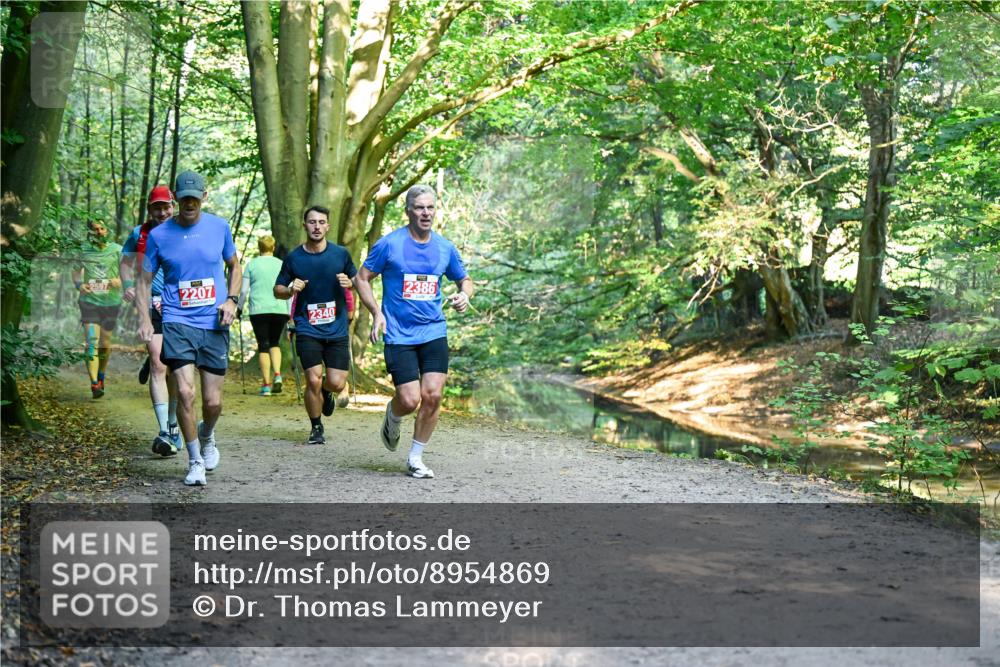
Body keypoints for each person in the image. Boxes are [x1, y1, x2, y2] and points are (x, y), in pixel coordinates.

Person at [354, 185, 474, 479]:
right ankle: (393, 416)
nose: (425, 213)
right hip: (398, 333)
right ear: (408, 210)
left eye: (430, 207)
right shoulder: (389, 245)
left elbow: (465, 279)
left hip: (433, 330)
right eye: (419, 207)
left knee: (432, 395)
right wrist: (376, 312)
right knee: (409, 399)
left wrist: (465, 295)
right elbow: (362, 278)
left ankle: (415, 457)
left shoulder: (445, 248)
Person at [136, 170, 242, 487]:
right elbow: (142, 281)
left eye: (195, 198)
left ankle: (207, 435)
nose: (190, 204)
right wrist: (143, 318)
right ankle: (195, 460)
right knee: (184, 392)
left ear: (204, 197)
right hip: (177, 320)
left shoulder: (219, 228)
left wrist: (232, 300)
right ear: (176, 200)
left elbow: (235, 266)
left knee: (212, 402)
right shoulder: (159, 236)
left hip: (213, 322)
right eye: (184, 199)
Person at [274, 206, 356, 445]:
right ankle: (316, 426)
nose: (317, 226)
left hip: (337, 328)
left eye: (321, 222)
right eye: (312, 222)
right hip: (307, 327)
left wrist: (349, 282)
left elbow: (358, 279)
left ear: (328, 226)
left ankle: (328, 393)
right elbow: (277, 289)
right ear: (305, 225)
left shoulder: (341, 254)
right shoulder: (294, 258)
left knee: (335, 382)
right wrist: (290, 289)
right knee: (313, 379)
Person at [121, 185, 180, 456]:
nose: (162, 212)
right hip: (152, 301)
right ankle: (164, 433)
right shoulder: (139, 233)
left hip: (182, 304)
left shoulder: (185, 230)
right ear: (149, 209)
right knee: (159, 363)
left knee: (176, 369)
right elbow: (125, 261)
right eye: (157, 207)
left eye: (166, 206)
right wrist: (127, 285)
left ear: (174, 206)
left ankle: (174, 423)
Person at [72, 219, 123, 399]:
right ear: (90, 233)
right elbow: (76, 271)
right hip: (89, 301)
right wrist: (79, 285)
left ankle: (101, 375)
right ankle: (94, 383)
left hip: (111, 302)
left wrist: (120, 281)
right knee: (91, 341)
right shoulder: (83, 250)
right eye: (95, 229)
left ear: (107, 230)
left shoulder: (117, 249)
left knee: (105, 344)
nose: (99, 232)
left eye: (102, 228)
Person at [238, 235, 288, 396]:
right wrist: (290, 311)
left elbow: (244, 290)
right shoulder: (281, 264)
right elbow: (289, 288)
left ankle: (266, 385)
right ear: (273, 248)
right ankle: (278, 375)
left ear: (259, 248)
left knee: (263, 345)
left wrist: (238, 308)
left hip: (258, 310)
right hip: (280, 308)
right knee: (275, 343)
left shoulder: (252, 265)